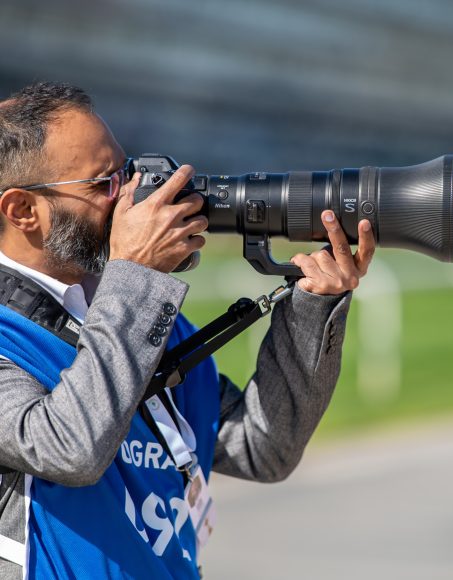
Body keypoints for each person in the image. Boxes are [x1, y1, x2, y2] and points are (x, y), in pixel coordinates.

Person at [0, 82, 375, 579]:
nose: (133, 196)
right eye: (104, 183)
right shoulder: (45, 327)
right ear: (23, 210)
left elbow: (263, 449)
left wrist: (312, 302)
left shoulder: (151, 321)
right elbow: (69, 448)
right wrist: (137, 276)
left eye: (127, 169)